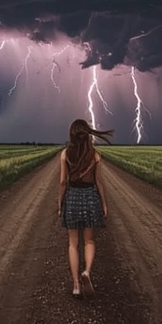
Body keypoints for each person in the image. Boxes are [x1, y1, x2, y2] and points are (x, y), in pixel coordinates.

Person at [57, 118, 113, 298]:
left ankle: (75, 285)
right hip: (90, 198)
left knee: (73, 243)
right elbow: (99, 182)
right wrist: (103, 203)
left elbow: (63, 182)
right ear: (87, 135)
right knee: (89, 241)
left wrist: (60, 203)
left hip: (72, 197)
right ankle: (87, 272)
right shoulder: (95, 155)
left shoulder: (65, 154)